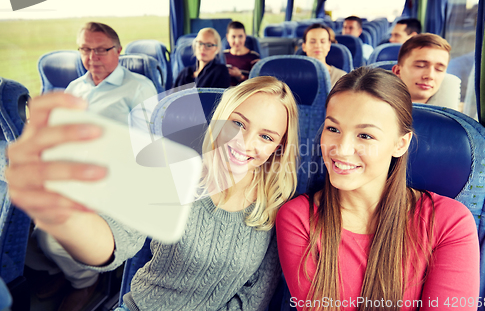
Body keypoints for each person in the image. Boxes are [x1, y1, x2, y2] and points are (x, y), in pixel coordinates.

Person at [6, 76, 299, 311]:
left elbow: (254, 298)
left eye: (266, 137)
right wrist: (62, 213)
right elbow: (113, 239)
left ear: (278, 147)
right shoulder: (174, 171)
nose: (244, 143)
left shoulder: (275, 204)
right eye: (237, 123)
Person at [276, 67, 479, 311]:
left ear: (400, 144)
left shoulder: (449, 222)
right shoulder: (298, 218)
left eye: (365, 135)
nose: (341, 149)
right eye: (333, 129)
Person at [24, 21, 159, 311]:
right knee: (25, 225)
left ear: (118, 51)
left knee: (51, 238)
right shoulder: (75, 87)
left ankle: (85, 282)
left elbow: (147, 149)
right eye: (85, 49)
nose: (92, 57)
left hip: (113, 180)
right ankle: (63, 271)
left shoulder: (138, 88)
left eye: (101, 50)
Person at [392, 33, 460, 110]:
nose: (430, 76)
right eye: (420, 66)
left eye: (439, 69)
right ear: (397, 71)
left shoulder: (452, 118)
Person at [301, 23, 347, 88]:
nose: (318, 46)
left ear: (329, 46)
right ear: (304, 46)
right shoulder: (294, 75)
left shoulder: (341, 77)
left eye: (322, 42)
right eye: (312, 42)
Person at [224, 21, 260, 86]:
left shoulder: (253, 57)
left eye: (240, 36)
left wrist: (240, 76)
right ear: (227, 37)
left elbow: (256, 83)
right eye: (233, 37)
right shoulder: (222, 56)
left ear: (245, 37)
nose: (237, 41)